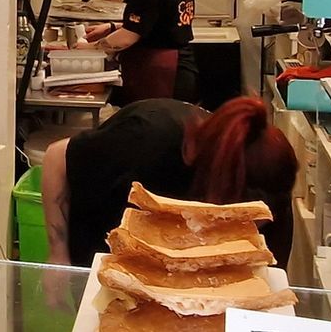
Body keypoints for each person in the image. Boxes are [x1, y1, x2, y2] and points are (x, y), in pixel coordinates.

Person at [41, 95, 297, 268]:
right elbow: (56, 157)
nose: (254, 225)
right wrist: (58, 257)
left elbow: (270, 272)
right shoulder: (147, 138)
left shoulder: (271, 191)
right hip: (106, 254)